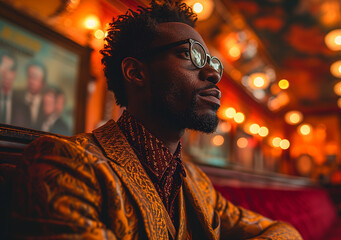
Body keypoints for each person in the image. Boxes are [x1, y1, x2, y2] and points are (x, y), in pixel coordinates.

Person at [11, 1, 302, 239]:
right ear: (136, 73)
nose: (213, 74)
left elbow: (283, 232)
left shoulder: (197, 180)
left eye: (212, 63)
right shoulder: (66, 163)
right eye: (190, 55)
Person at [14, 60, 47, 129]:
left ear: (43, 82)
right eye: (29, 76)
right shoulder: (15, 96)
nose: (31, 81)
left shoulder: (46, 104)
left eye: (35, 78)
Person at [0, 50, 17, 125]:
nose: (6, 73)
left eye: (10, 69)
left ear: (14, 73)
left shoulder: (20, 104)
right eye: (3, 67)